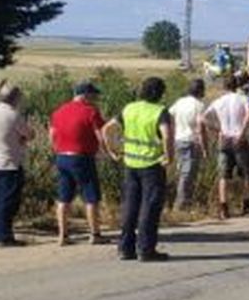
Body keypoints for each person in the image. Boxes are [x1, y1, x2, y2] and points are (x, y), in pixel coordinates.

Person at [103, 77, 174, 262]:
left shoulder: (129, 108)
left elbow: (107, 129)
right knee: (149, 209)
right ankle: (146, 249)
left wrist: (112, 150)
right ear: (160, 93)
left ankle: (125, 248)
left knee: (130, 207)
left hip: (130, 164)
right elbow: (167, 136)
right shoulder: (160, 111)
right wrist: (169, 156)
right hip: (151, 165)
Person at [49, 80, 113, 245]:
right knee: (91, 197)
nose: (95, 98)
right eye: (93, 95)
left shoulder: (58, 111)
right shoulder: (91, 111)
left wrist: (56, 150)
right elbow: (101, 134)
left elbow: (52, 135)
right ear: (85, 95)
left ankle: (63, 235)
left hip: (62, 157)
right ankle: (95, 234)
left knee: (64, 198)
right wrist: (108, 152)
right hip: (82, 157)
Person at [0, 84, 33, 247]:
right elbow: (29, 133)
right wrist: (23, 138)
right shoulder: (13, 115)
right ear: (15, 98)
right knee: (8, 201)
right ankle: (4, 236)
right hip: (10, 162)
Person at [201, 75, 249, 218]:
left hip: (225, 138)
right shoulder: (243, 99)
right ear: (237, 85)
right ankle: (246, 203)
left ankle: (223, 206)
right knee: (245, 173)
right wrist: (243, 132)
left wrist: (217, 129)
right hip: (240, 139)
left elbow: (202, 118)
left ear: (224, 86)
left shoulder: (218, 101)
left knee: (224, 175)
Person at [169, 79, 207, 211]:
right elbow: (200, 128)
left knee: (182, 172)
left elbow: (170, 115)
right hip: (191, 141)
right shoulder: (199, 105)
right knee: (188, 174)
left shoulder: (180, 102)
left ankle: (182, 202)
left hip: (178, 140)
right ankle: (181, 204)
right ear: (201, 90)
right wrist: (204, 147)